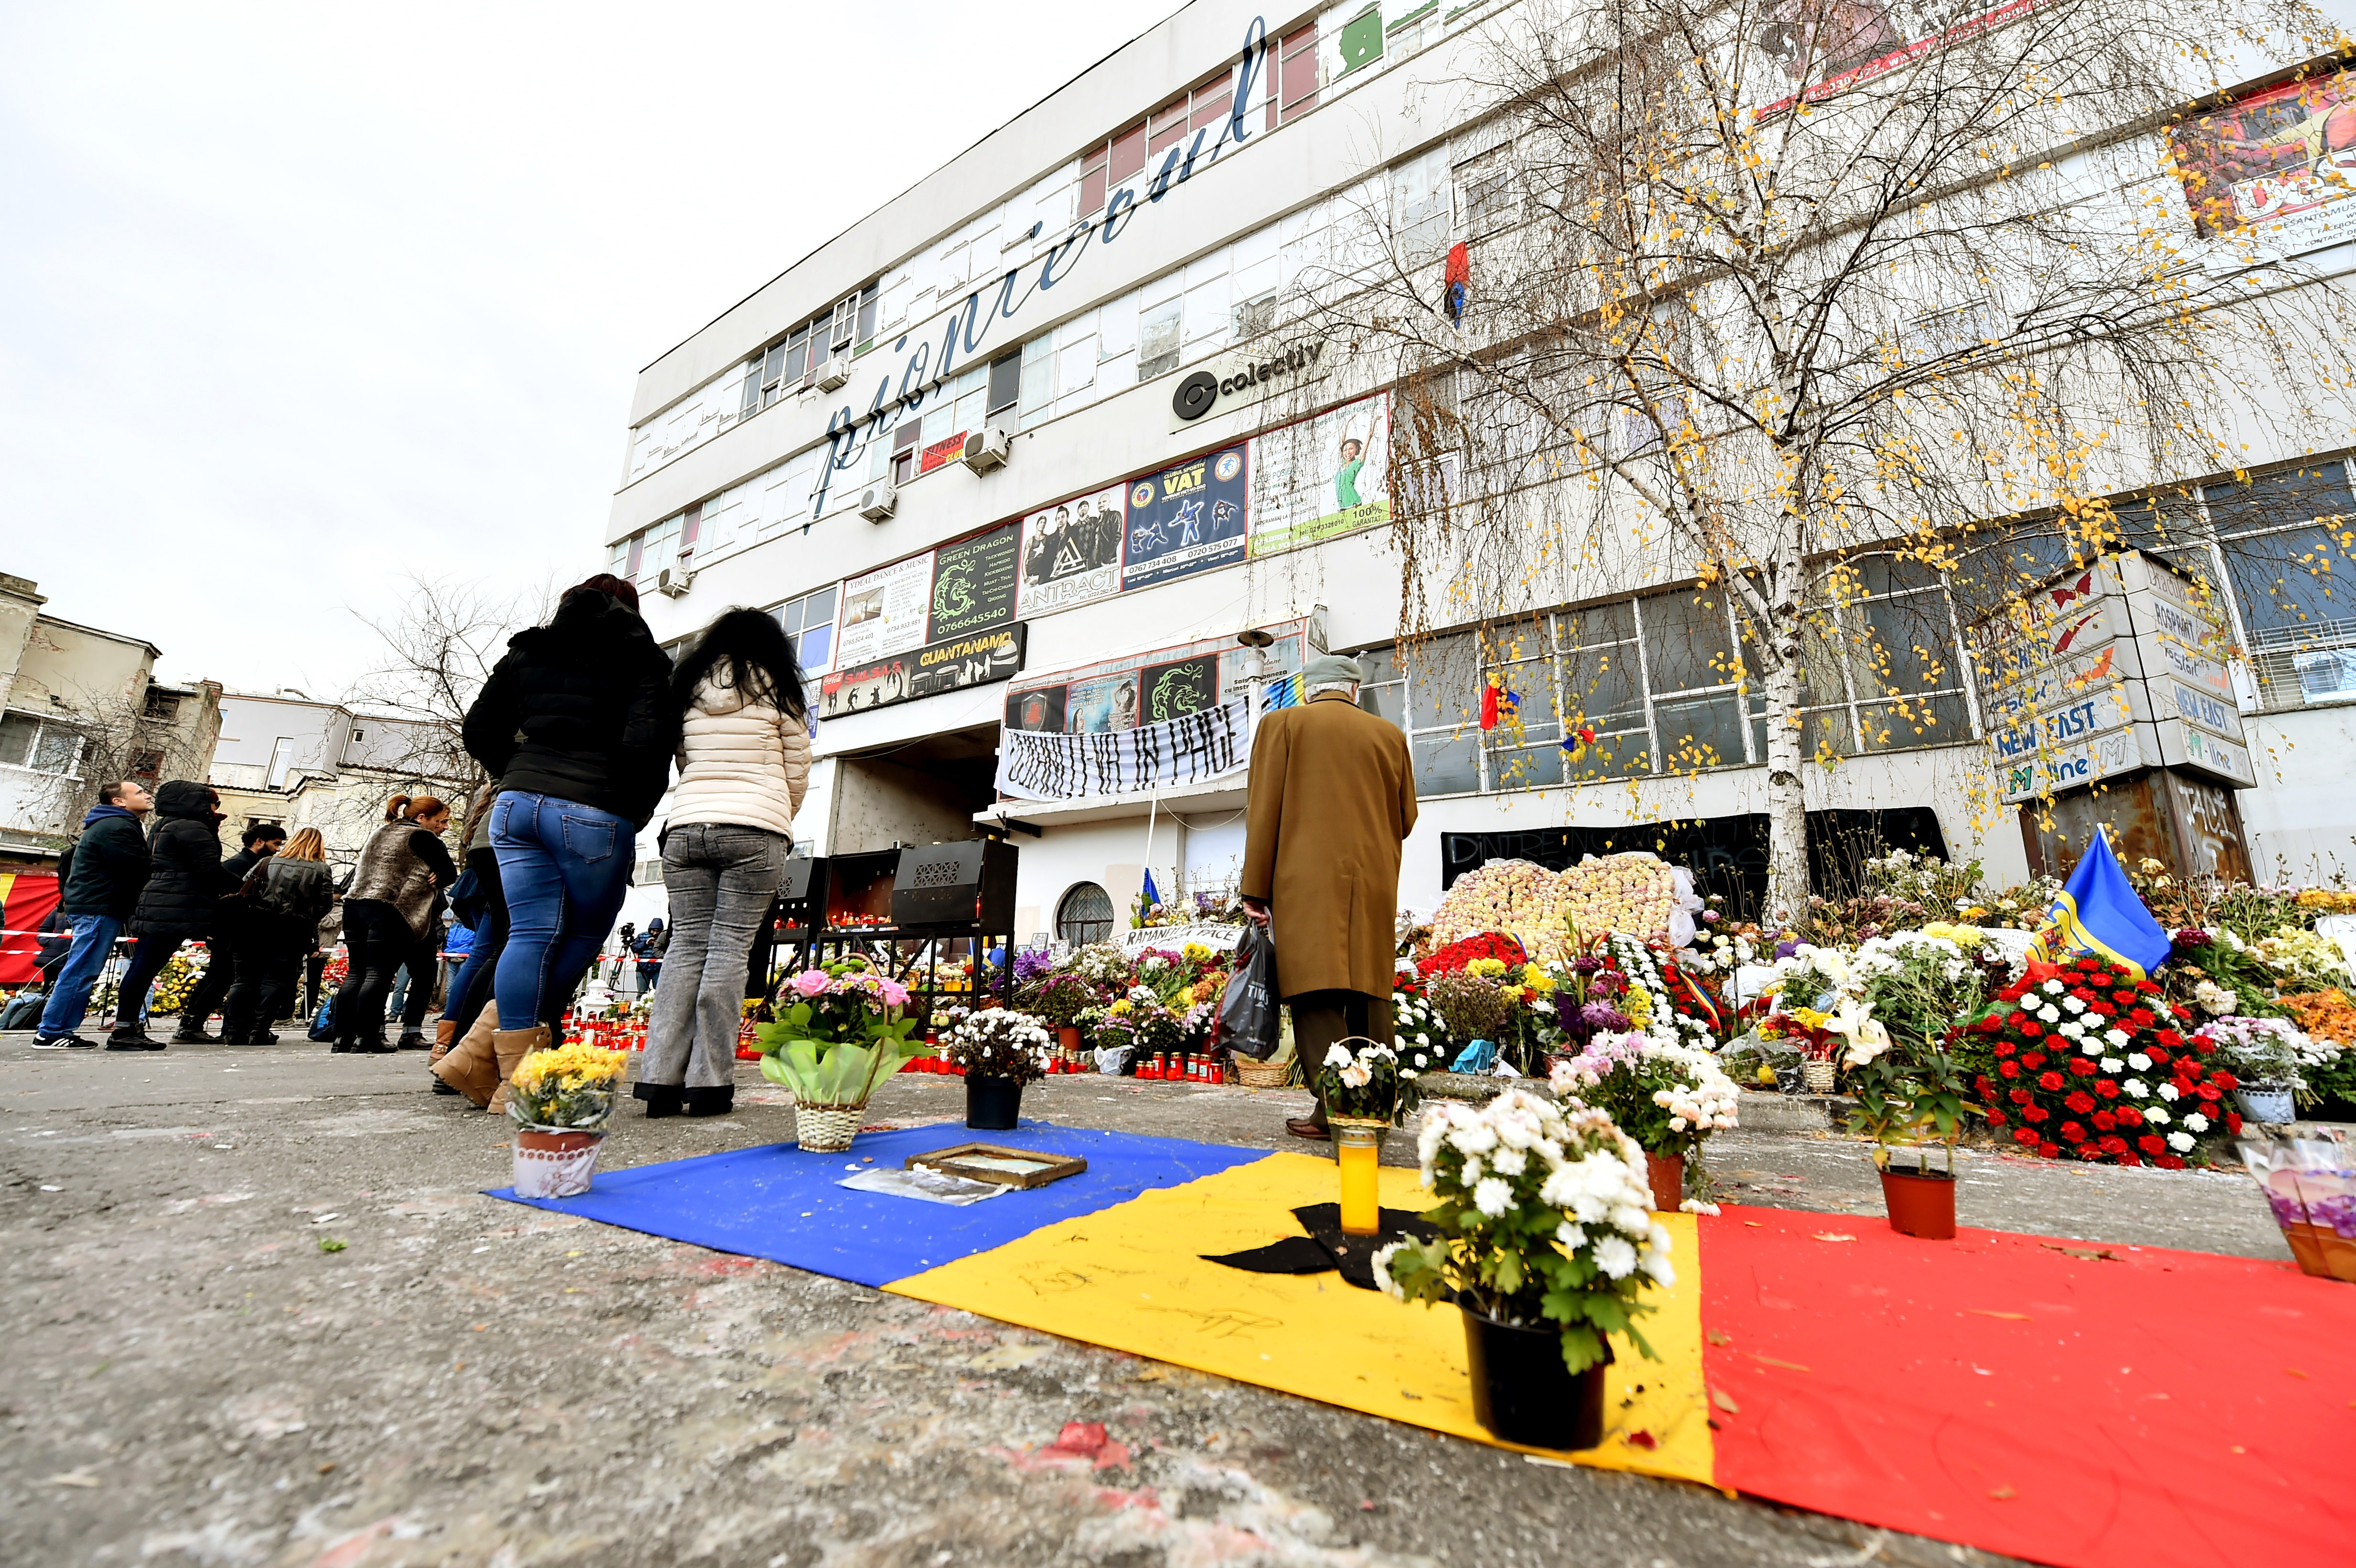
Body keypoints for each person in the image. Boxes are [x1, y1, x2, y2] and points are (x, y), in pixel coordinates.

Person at [438, 574, 673, 1112]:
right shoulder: (643, 659)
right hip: (595, 807)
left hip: (516, 804)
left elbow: (479, 728)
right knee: (584, 935)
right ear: (629, 612)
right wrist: (632, 808)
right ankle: (511, 1076)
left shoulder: (529, 650)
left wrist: (519, 769)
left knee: (528, 935)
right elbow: (647, 744)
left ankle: (511, 1078)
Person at [636, 606, 811, 1118]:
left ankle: (658, 1082)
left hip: (687, 829)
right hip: (755, 830)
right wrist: (778, 813)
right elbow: (796, 769)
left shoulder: (689, 689)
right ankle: (709, 1084)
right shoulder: (777, 689)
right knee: (730, 951)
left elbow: (685, 762)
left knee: (685, 948)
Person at [1238, 653, 1417, 1141]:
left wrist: (1255, 888)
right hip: (1372, 882)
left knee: (1315, 991)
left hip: (1305, 883)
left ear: (1309, 691)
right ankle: (1372, 1103)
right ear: (1354, 690)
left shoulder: (1281, 724)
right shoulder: (1390, 737)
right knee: (1368, 993)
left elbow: (1263, 813)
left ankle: (1344, 1110)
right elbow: (1405, 820)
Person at [104, 781, 233, 1050]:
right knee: (145, 968)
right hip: (176, 905)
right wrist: (245, 886)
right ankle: (125, 1031)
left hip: (160, 901)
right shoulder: (193, 827)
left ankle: (126, 1027)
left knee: (142, 967)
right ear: (195, 803)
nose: (214, 808)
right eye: (212, 803)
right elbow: (209, 870)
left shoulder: (164, 825)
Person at [33, 781, 153, 1049]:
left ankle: (57, 1030)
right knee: (82, 969)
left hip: (97, 907)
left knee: (83, 969)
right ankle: (52, 1032)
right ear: (119, 802)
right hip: (99, 908)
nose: (147, 795)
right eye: (139, 793)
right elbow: (135, 868)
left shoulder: (113, 824)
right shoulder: (116, 827)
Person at [336, 796, 457, 1054]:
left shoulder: (381, 832)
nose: (445, 827)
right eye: (441, 821)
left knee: (356, 972)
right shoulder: (423, 838)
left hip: (355, 905)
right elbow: (449, 873)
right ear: (422, 818)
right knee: (378, 973)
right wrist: (440, 875)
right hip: (391, 907)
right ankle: (369, 1038)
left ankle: (344, 1038)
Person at [174, 823, 286, 1042]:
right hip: (230, 932)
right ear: (259, 842)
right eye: (276, 844)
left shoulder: (248, 863)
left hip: (232, 931)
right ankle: (191, 1025)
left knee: (222, 978)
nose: (277, 849)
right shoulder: (240, 865)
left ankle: (196, 1025)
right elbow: (220, 899)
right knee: (221, 978)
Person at [222, 827, 335, 1043]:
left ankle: (234, 1031)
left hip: (252, 927)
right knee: (275, 981)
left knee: (243, 980)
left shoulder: (268, 862)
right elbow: (325, 905)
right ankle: (259, 1030)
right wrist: (305, 917)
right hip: (291, 932)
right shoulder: (321, 869)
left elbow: (244, 886)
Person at [633, 917, 668, 993]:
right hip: (642, 968)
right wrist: (646, 943)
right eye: (653, 931)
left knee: (659, 993)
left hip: (658, 969)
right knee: (642, 993)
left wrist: (658, 945)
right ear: (650, 929)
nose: (655, 933)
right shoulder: (642, 936)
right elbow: (634, 948)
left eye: (657, 931)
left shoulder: (664, 938)